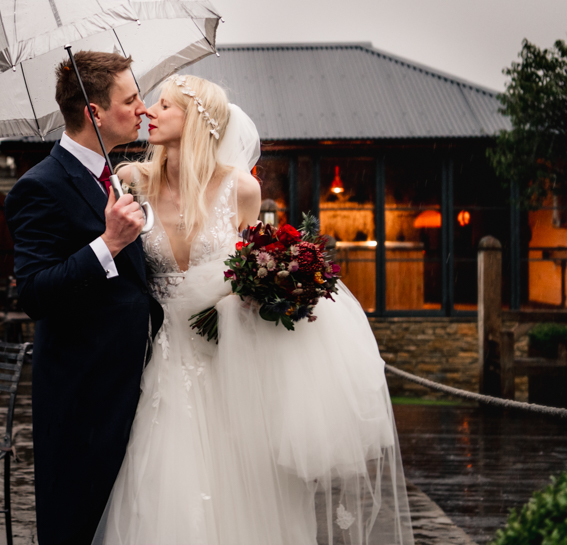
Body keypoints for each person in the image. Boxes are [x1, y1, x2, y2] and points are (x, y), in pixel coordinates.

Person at [94, 74, 414, 545]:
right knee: (161, 480)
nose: (150, 112)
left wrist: (263, 288)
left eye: (165, 106)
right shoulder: (129, 181)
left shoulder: (241, 189)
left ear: (197, 121)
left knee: (243, 489)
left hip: (231, 364)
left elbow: (251, 268)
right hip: (159, 357)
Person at [5, 51, 164, 545]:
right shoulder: (40, 187)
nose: (143, 108)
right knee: (76, 524)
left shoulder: (113, 177)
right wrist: (108, 243)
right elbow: (33, 293)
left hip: (133, 382)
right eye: (131, 98)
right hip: (83, 397)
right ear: (94, 113)